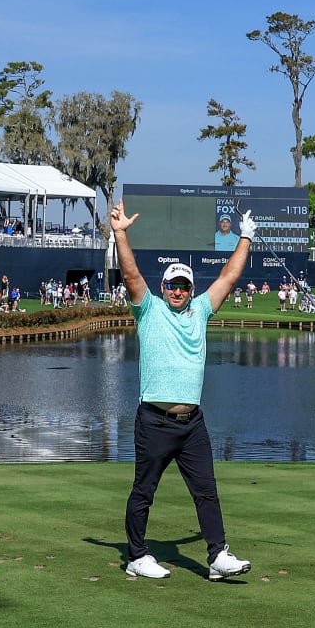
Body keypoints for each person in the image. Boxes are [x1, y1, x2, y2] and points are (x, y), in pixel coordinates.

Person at [111, 199, 253, 582]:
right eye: (173, 284)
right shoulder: (149, 309)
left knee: (206, 491)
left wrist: (246, 237)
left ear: (191, 289)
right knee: (144, 491)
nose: (178, 290)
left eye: (184, 285)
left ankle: (217, 556)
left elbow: (228, 277)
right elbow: (131, 275)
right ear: (164, 287)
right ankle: (137, 555)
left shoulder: (202, 310)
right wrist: (120, 233)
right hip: (154, 421)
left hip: (192, 424)